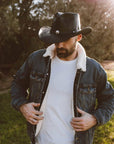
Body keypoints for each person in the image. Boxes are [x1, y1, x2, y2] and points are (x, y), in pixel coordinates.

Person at [11, 12, 114, 144]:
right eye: (56, 40)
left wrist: (95, 118)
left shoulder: (93, 69)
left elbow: (110, 98)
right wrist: (22, 105)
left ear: (79, 37)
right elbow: (17, 83)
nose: (59, 45)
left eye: (65, 40)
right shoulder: (36, 60)